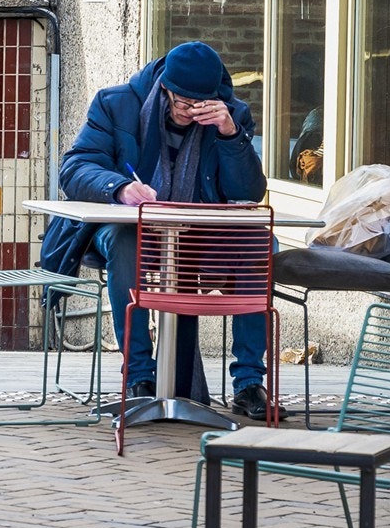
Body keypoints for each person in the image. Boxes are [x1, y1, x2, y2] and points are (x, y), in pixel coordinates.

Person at [42, 41, 279, 420]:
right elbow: (75, 167)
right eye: (182, 102)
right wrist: (118, 187)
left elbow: (247, 192)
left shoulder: (231, 116)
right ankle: (140, 378)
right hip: (127, 227)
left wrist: (230, 134)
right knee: (125, 243)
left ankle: (249, 383)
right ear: (165, 87)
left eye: (199, 105)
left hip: (199, 235)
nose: (188, 112)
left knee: (260, 242)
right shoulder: (116, 103)